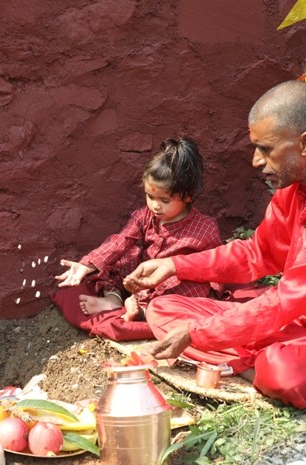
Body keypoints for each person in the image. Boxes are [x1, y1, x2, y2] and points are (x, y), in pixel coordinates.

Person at [123, 80, 306, 409]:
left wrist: (197, 334)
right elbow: (257, 254)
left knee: (283, 371)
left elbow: (289, 298)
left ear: (305, 143)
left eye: (265, 149)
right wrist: (173, 266)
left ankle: (253, 361)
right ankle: (253, 358)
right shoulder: (293, 187)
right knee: (165, 308)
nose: (255, 161)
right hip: (300, 322)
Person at [51, 137, 223, 342]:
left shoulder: (205, 228)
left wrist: (214, 294)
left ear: (187, 196)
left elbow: (216, 266)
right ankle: (113, 299)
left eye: (164, 200)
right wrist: (88, 265)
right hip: (141, 280)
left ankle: (141, 311)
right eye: (150, 197)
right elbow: (120, 241)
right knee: (118, 261)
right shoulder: (144, 216)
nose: (155, 206)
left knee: (187, 287)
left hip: (173, 286)